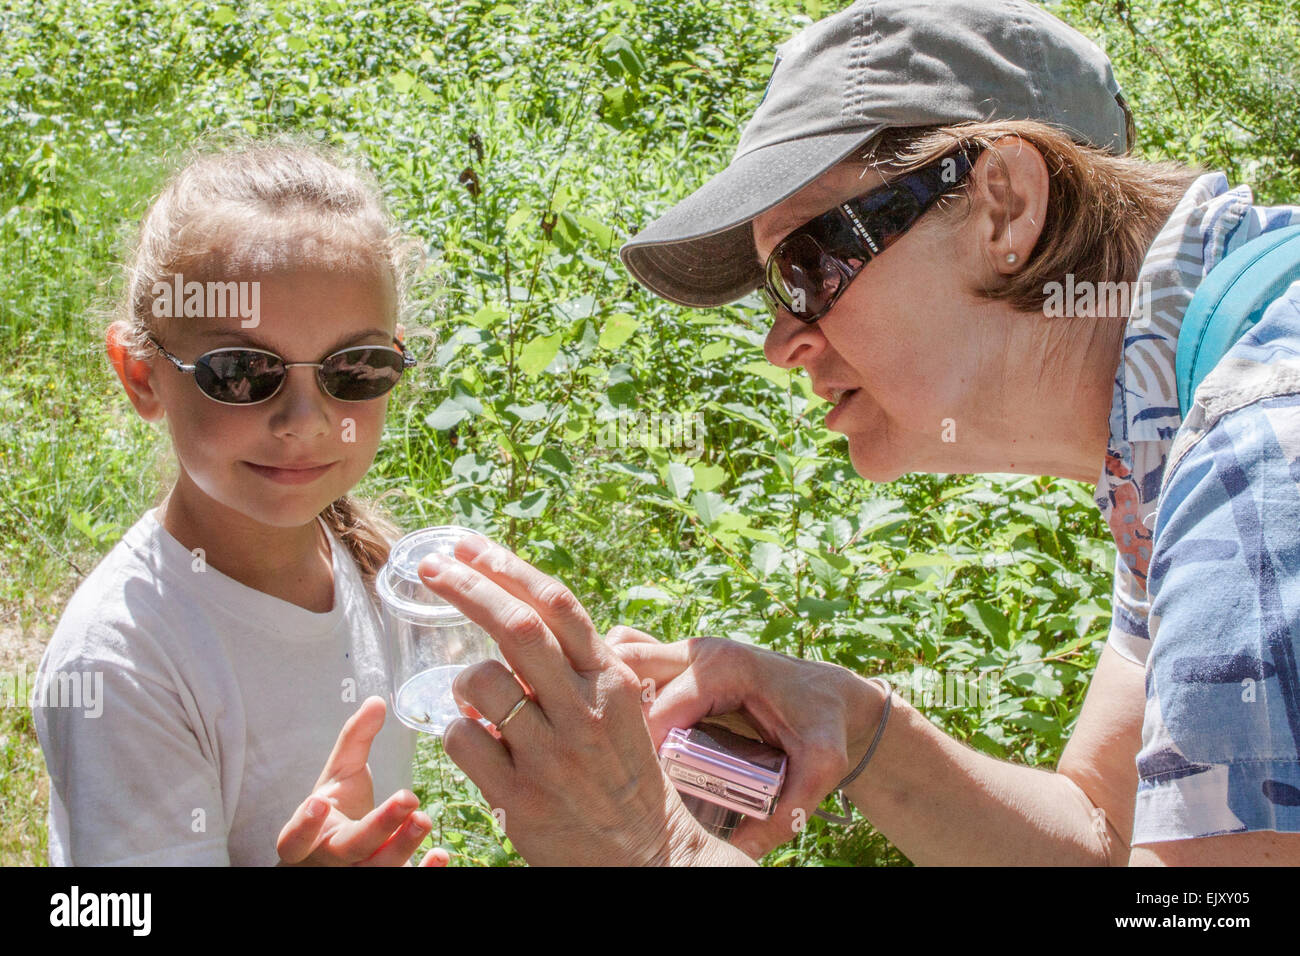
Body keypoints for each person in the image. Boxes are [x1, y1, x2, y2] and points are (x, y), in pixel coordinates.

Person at [420, 0, 1300, 865]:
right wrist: (861, 729)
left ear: (1006, 206)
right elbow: (1106, 839)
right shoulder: (1186, 409)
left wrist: (654, 853)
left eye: (810, 263)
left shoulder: (1258, 455)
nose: (780, 341)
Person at [33, 140, 447, 867]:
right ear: (140, 375)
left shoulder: (372, 570)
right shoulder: (120, 661)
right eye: (242, 371)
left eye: (355, 367)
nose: (305, 420)